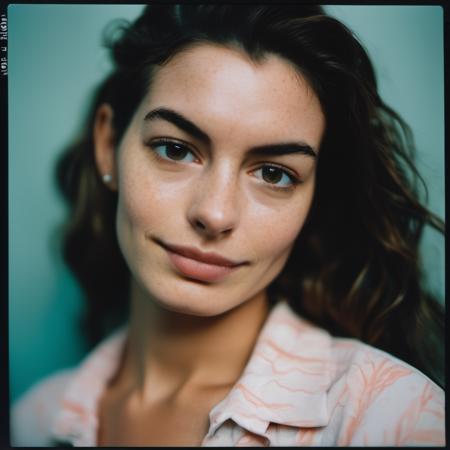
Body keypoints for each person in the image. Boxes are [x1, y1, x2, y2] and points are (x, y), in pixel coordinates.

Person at [11, 4, 445, 447]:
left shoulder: (391, 416)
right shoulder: (30, 423)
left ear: (315, 197)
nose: (215, 214)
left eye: (274, 174)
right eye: (175, 149)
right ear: (108, 145)